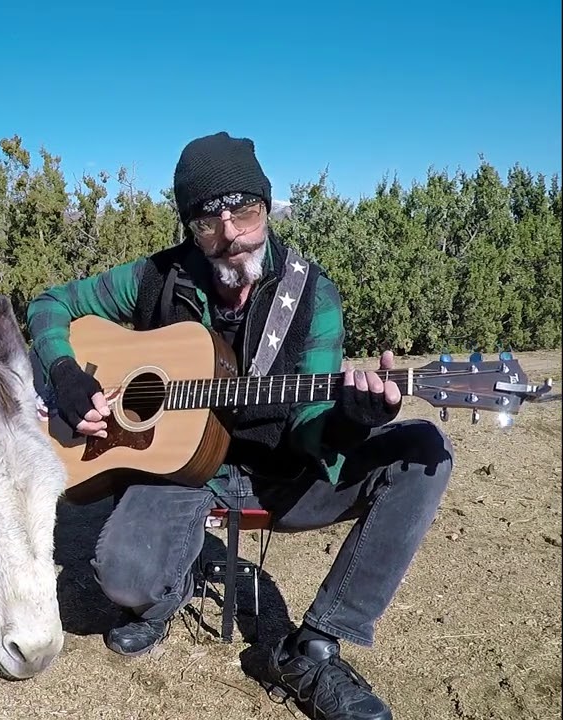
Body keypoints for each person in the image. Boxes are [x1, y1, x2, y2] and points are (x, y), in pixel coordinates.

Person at [25, 131, 453, 720]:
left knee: (423, 451)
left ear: (266, 207)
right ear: (190, 227)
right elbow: (48, 304)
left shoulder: (312, 296)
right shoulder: (155, 276)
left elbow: (310, 428)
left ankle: (312, 647)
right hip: (178, 469)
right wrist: (67, 372)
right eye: (208, 222)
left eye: (246, 213)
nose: (231, 235)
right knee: (123, 581)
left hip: (280, 470)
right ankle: (164, 596)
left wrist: (348, 423)